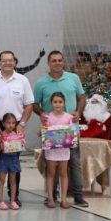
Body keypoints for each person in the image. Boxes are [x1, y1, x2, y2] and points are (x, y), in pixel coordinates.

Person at [33, 50, 88, 207]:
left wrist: (78, 111)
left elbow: (82, 97)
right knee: (51, 165)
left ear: (63, 62)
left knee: (74, 162)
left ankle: (78, 196)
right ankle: (52, 196)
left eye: (59, 60)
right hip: (51, 132)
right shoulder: (41, 83)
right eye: (54, 61)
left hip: (71, 130)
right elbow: (34, 104)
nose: (57, 63)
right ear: (49, 63)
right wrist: (42, 113)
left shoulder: (73, 78)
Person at [0, 50, 34, 208]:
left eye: (10, 60)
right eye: (4, 60)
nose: (7, 63)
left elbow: (29, 104)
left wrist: (22, 124)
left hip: (15, 127)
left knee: (13, 162)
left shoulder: (22, 80)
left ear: (15, 62)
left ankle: (13, 196)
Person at [42, 93, 73, 209]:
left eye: (60, 102)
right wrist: (41, 133)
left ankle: (63, 199)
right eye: (55, 102)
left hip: (64, 150)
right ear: (51, 104)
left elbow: (72, 133)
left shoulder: (69, 117)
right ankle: (50, 198)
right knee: (50, 174)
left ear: (64, 103)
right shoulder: (47, 117)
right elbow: (44, 132)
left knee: (64, 173)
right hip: (51, 151)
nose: (58, 104)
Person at [0, 113, 21, 211]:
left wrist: (21, 144)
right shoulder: (1, 135)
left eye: (13, 123)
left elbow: (19, 149)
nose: (11, 125)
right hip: (3, 160)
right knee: (1, 181)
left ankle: (12, 201)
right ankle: (1, 201)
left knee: (13, 181)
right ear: (3, 123)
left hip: (14, 159)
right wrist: (0, 143)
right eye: (8, 123)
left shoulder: (17, 135)